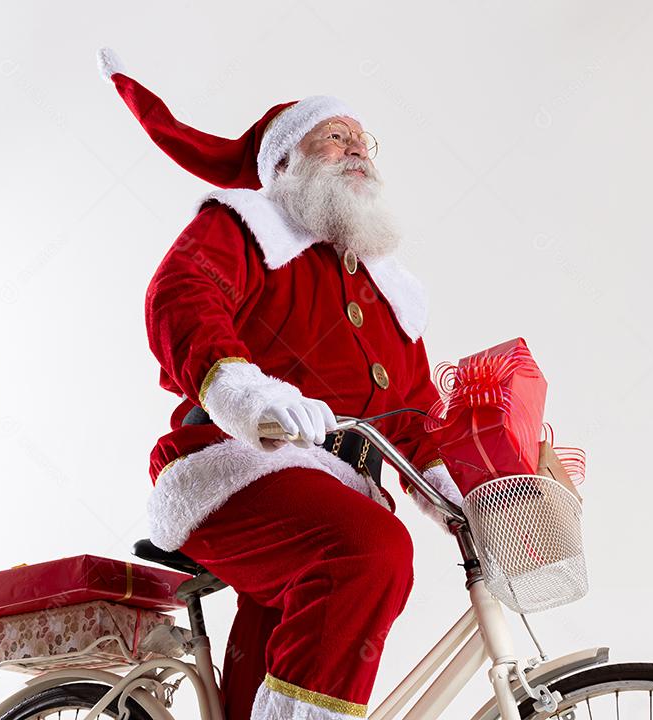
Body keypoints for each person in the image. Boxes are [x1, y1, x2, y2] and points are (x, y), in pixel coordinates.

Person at [98, 47, 464, 720]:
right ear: (285, 162)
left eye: (364, 141)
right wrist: (247, 395)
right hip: (231, 469)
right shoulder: (245, 227)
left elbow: (416, 420)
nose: (358, 150)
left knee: (286, 647)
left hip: (329, 489)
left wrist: (472, 496)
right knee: (368, 551)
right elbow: (183, 295)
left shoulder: (389, 292)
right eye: (336, 136)